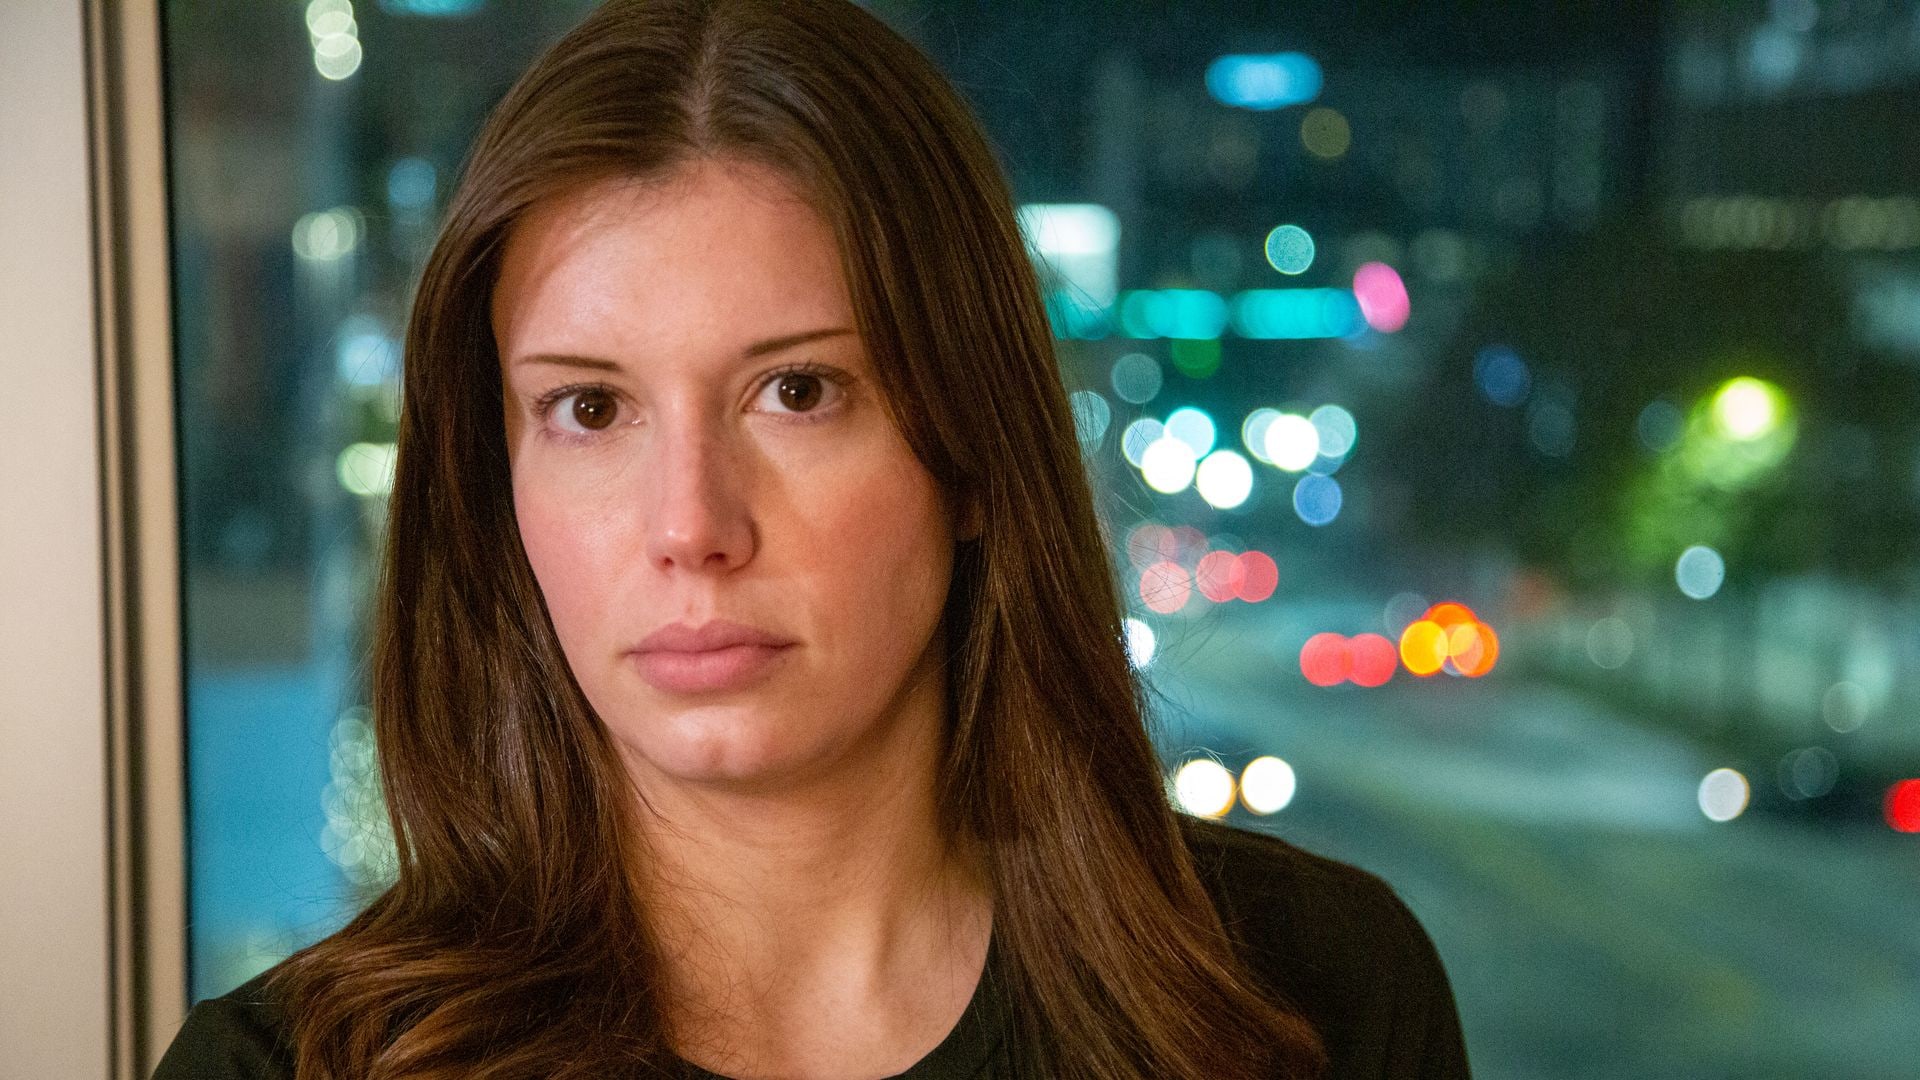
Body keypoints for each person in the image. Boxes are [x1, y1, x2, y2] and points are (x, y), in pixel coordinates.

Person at [154, 1, 1471, 1077]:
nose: (691, 527)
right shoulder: (289, 1069)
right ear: (497, 494)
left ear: (970, 449)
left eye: (798, 392)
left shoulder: (1313, 999)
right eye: (590, 408)